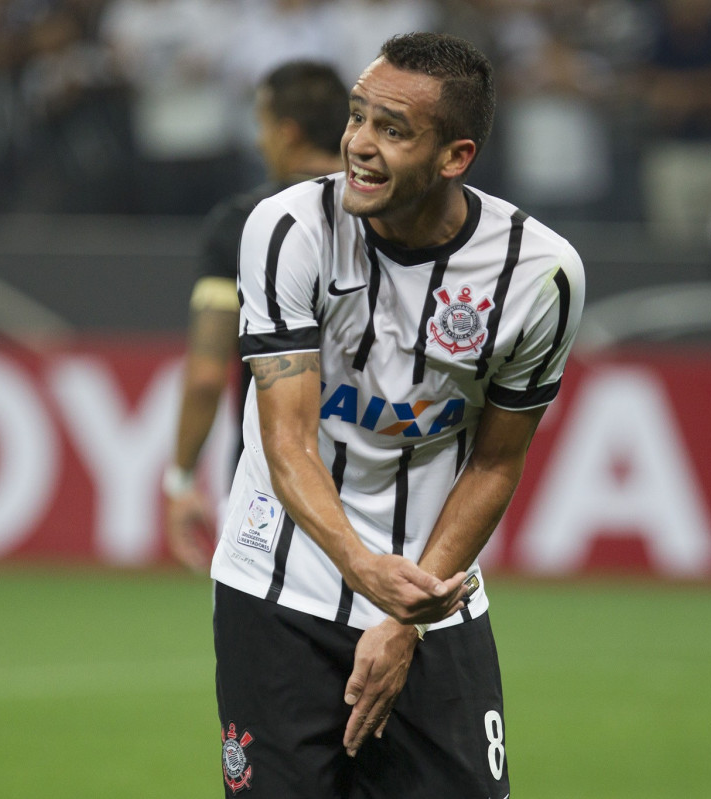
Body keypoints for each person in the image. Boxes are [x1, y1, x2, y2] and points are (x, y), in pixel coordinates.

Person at [210, 32, 584, 798]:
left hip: (432, 594)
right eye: (356, 118)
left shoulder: (539, 275)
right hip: (280, 589)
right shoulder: (289, 230)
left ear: (455, 156)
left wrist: (405, 614)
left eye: (392, 129)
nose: (359, 146)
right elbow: (288, 440)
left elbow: (495, 461)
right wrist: (362, 570)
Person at [163, 60, 347, 573]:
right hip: (377, 477)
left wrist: (180, 480)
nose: (260, 141)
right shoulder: (386, 216)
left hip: (270, 481)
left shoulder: (241, 223)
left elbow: (204, 375)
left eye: (263, 126)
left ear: (286, 132)